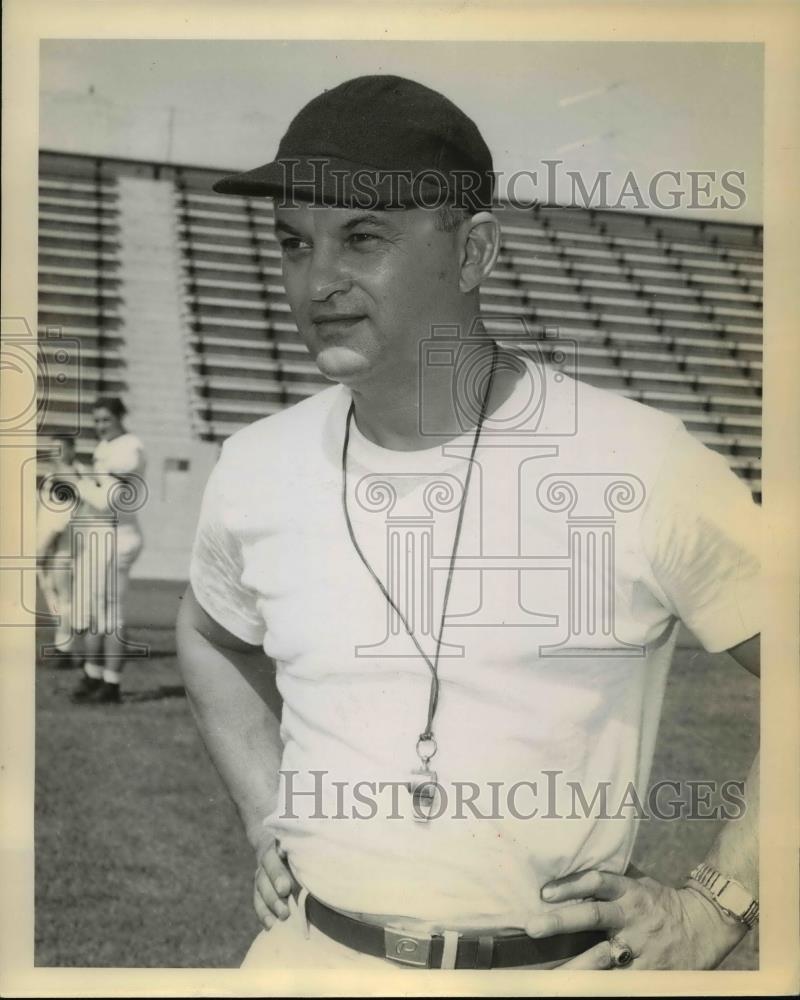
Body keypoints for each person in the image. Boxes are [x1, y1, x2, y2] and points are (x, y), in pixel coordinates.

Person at [176, 75, 760, 971]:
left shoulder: (639, 461)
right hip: (308, 958)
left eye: (362, 238)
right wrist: (266, 814)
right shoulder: (257, 462)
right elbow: (210, 633)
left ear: (473, 251)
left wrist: (719, 903)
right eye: (294, 244)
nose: (317, 281)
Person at [71, 396, 147, 704]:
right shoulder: (105, 447)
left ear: (120, 417)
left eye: (106, 419)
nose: (100, 426)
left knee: (111, 615)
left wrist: (75, 479)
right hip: (100, 534)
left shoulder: (131, 449)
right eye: (97, 420)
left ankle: (112, 684)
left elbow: (107, 500)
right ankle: (92, 675)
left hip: (119, 536)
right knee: (93, 610)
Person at [37, 436, 88, 668]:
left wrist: (43, 548)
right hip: (55, 543)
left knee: (64, 598)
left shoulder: (69, 477)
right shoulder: (55, 475)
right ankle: (65, 646)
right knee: (55, 596)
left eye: (59, 450)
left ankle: (65, 650)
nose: (54, 454)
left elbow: (60, 520)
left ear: (71, 451)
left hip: (62, 546)